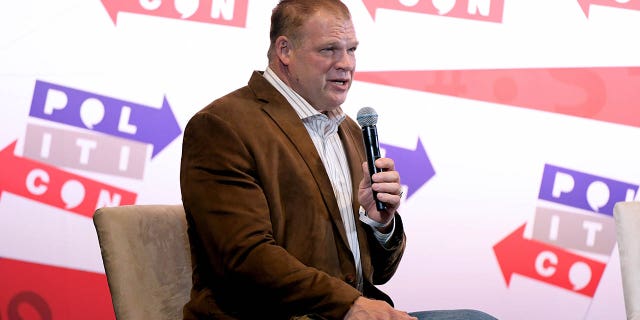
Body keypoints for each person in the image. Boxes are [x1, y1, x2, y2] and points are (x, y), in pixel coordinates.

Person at [180, 0, 497, 319]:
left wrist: (380, 223)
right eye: (329, 49)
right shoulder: (223, 126)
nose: (346, 63)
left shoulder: (351, 131)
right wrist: (349, 304)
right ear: (285, 51)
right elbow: (243, 259)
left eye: (352, 50)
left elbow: (380, 274)